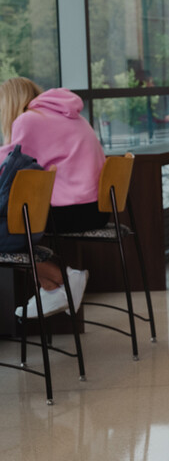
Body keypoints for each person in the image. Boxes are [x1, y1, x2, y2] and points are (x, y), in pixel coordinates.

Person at [0, 78, 97, 318]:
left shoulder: (29, 120)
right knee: (14, 223)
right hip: (95, 208)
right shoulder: (68, 115)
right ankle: (53, 288)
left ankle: (64, 278)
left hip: (74, 210)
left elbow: (8, 164)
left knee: (11, 227)